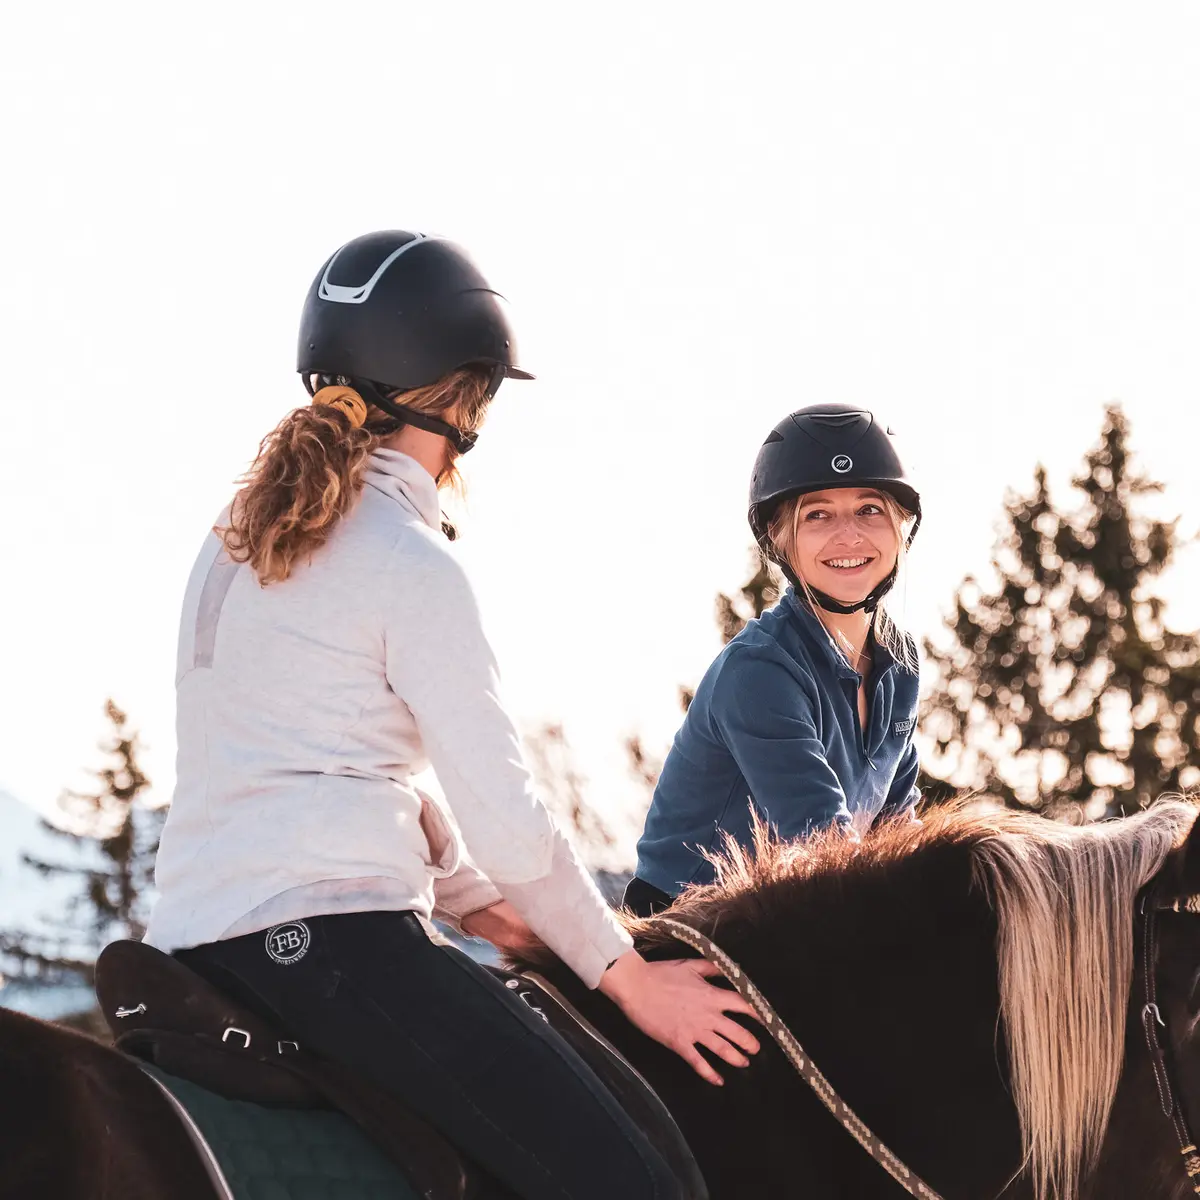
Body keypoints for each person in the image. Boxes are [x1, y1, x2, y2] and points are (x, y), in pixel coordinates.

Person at [143, 230, 759, 1200]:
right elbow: (509, 823)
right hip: (337, 946)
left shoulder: (228, 548)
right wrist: (628, 978)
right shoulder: (412, 566)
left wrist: (468, 898)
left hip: (188, 942)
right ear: (467, 403)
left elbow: (293, 768)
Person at [625, 404, 923, 917]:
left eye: (869, 509)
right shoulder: (759, 672)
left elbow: (898, 828)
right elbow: (822, 842)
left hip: (790, 917)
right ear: (780, 539)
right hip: (688, 924)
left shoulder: (900, 663)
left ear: (902, 528)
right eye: (818, 515)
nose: (848, 535)